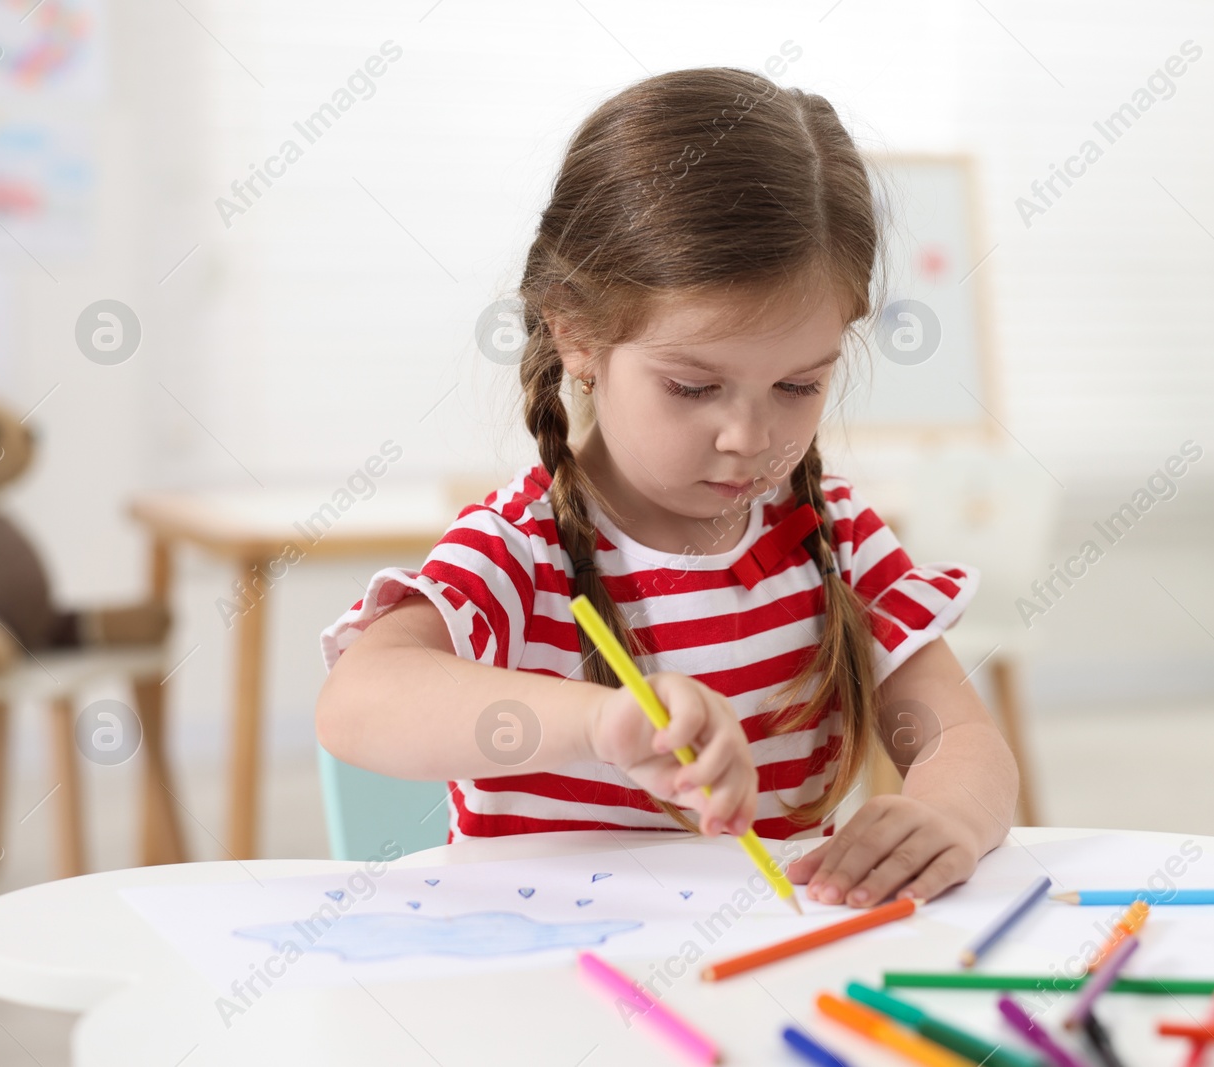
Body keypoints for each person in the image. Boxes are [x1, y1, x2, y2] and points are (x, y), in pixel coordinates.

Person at [317, 66, 1018, 909]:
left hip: (766, 969)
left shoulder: (832, 535)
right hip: (551, 990)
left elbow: (960, 739)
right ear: (574, 332)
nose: (749, 438)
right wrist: (602, 722)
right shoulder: (521, 546)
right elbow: (358, 700)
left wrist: (947, 813)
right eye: (692, 388)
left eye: (797, 386)